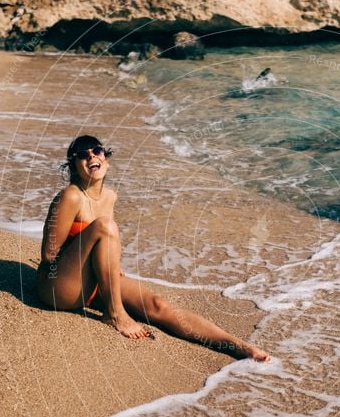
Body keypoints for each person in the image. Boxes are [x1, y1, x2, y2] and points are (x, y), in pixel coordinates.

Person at [36, 134, 270, 361]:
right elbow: (48, 255)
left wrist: (105, 265)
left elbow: (103, 243)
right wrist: (85, 261)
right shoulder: (71, 196)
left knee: (158, 305)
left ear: (105, 157)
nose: (91, 157)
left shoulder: (110, 196)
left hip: (92, 282)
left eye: (96, 151)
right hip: (60, 288)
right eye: (82, 155)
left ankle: (238, 346)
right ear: (74, 165)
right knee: (105, 226)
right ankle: (115, 314)